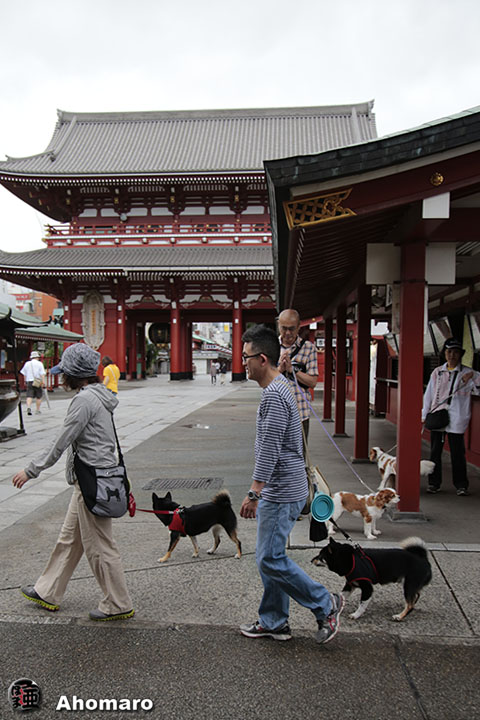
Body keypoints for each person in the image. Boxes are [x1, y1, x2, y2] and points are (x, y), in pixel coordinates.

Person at [12, 343, 134, 622]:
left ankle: (118, 603)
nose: (62, 377)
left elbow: (61, 441)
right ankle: (48, 591)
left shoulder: (84, 401)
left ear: (73, 375)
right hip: (94, 478)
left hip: (93, 481)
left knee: (100, 546)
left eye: (64, 373)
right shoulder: (99, 395)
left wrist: (31, 470)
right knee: (70, 539)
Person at [239, 324, 343, 644]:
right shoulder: (282, 386)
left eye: (246, 357)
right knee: (270, 556)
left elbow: (270, 450)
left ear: (263, 359)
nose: (243, 363)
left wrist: (254, 492)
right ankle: (274, 620)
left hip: (281, 490)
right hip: (288, 486)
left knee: (270, 558)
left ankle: (325, 604)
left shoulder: (274, 395)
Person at [422, 337, 480, 496]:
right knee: (435, 452)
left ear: (461, 354)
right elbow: (429, 395)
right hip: (438, 416)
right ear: (444, 353)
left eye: (455, 352)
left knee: (457, 453)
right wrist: (424, 414)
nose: (452, 355)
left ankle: (461, 485)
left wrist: (473, 375)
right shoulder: (437, 372)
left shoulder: (467, 373)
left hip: (457, 418)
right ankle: (434, 483)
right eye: (449, 352)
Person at [277, 309, 318, 453]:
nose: (288, 333)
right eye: (284, 328)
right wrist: (280, 369)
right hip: (275, 414)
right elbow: (264, 382)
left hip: (300, 414)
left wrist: (292, 370)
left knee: (298, 458)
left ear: (299, 326)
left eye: (292, 329)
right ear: (278, 325)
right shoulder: (271, 347)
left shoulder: (308, 348)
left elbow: (312, 382)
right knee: (274, 458)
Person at [20, 350, 46, 416]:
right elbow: (42, 374)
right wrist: (43, 381)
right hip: (37, 381)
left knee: (29, 395)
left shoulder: (27, 364)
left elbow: (24, 373)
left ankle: (29, 407)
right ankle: (37, 409)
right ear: (37, 357)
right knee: (39, 396)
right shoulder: (39, 364)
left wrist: (25, 381)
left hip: (29, 381)